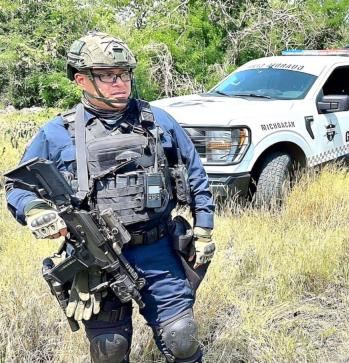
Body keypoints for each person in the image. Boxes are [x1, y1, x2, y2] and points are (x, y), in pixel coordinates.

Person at [5, 31, 215, 363]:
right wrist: (34, 210)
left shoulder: (158, 121)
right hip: (94, 260)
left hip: (158, 250)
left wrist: (203, 230)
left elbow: (195, 173)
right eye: (106, 75)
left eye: (124, 74)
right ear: (80, 80)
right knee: (110, 349)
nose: (120, 82)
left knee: (181, 338)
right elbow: (17, 186)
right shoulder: (58, 132)